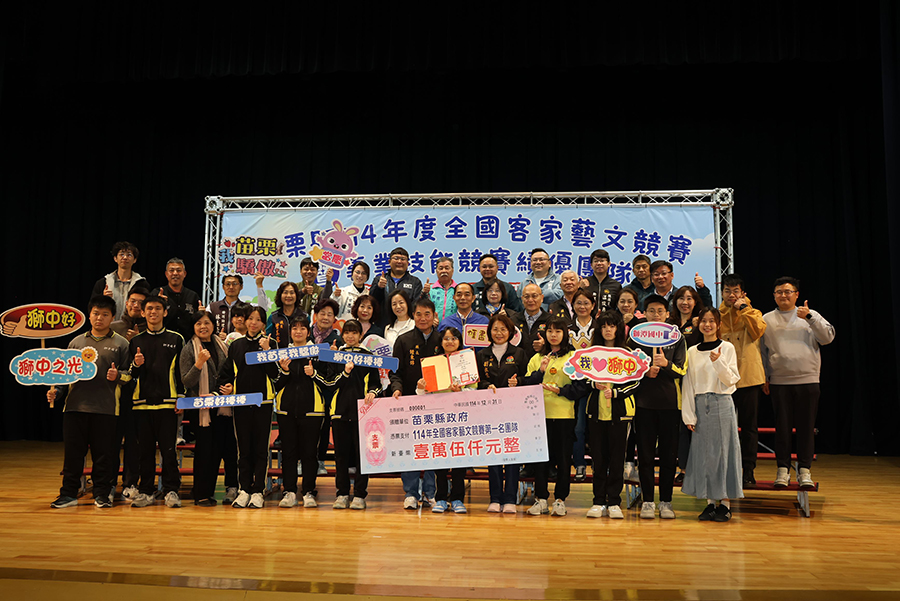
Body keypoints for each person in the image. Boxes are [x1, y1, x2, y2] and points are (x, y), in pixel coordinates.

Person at [49, 295, 131, 508]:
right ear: (89, 314)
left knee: (104, 455)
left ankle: (102, 494)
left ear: (112, 317)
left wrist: (118, 376)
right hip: (75, 407)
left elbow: (129, 376)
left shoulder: (121, 344)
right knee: (73, 455)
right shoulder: (76, 342)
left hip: (106, 409)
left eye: (105, 314)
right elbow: (63, 376)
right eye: (96, 313)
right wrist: (56, 392)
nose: (99, 318)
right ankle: (68, 494)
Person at [761, 277, 834, 489]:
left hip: (808, 379)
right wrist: (764, 376)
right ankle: (782, 470)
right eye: (779, 292)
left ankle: (804, 470)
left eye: (788, 291)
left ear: (797, 295)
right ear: (774, 295)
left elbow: (828, 338)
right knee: (782, 428)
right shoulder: (766, 319)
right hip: (779, 381)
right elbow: (762, 351)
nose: (783, 295)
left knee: (806, 428)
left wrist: (810, 317)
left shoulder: (809, 315)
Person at [522, 317, 588, 517]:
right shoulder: (537, 358)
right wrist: (540, 371)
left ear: (565, 334)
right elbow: (526, 385)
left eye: (558, 331)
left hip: (564, 415)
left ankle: (560, 500)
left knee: (563, 459)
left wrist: (561, 391)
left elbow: (581, 387)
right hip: (538, 415)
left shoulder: (573, 357)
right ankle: (541, 499)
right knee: (540, 459)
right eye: (550, 331)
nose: (553, 335)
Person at [681, 308, 743, 522]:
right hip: (700, 404)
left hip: (721, 402)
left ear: (718, 325)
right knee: (703, 454)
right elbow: (688, 384)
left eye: (712, 321)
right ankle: (709, 502)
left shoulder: (727, 348)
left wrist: (718, 361)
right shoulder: (692, 351)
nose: (707, 325)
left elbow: (731, 380)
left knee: (723, 453)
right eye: (704, 321)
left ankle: (725, 504)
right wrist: (689, 415)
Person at [217, 305, 280, 508]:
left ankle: (258, 491)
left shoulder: (271, 343)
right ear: (245, 321)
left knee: (261, 449)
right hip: (241, 403)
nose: (253, 323)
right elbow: (227, 373)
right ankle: (244, 489)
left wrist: (267, 351)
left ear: (263, 324)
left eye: (258, 319)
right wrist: (227, 387)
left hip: (264, 402)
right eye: (250, 318)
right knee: (243, 449)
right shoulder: (236, 345)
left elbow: (275, 374)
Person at [632, 294, 687, 520]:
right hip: (643, 404)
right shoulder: (635, 337)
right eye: (651, 311)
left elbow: (683, 369)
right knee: (645, 456)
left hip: (670, 404)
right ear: (644, 314)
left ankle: (666, 501)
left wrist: (666, 364)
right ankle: (647, 501)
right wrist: (645, 371)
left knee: (668, 456)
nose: (656, 315)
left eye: (660, 311)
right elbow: (627, 368)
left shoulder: (676, 338)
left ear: (667, 314)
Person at [128, 294, 185, 508]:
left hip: (168, 404)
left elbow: (181, 372)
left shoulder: (176, 339)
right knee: (145, 452)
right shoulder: (135, 341)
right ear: (143, 313)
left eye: (158, 308)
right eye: (149, 309)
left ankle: (171, 490)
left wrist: (181, 398)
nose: (153, 312)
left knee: (169, 451)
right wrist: (136, 364)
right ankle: (146, 491)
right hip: (141, 404)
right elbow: (130, 375)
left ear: (165, 312)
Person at [317, 320, 381, 510]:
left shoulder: (369, 356)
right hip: (339, 412)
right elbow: (329, 383)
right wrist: (345, 372)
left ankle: (360, 495)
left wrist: (373, 392)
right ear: (342, 335)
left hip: (363, 413)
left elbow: (376, 384)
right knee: (341, 456)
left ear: (361, 335)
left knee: (362, 457)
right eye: (347, 332)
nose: (350, 336)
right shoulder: (336, 356)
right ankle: (342, 494)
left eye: (354, 332)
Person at [415, 326, 476, 514]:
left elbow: (474, 391)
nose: (450, 342)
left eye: (454, 338)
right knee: (440, 460)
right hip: (439, 419)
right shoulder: (432, 363)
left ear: (460, 341)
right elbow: (424, 395)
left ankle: (457, 499)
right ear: (441, 342)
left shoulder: (467, 361)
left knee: (459, 461)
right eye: (446, 339)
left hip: (461, 419)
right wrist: (420, 388)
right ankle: (441, 498)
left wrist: (461, 392)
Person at [585, 310, 639, 519]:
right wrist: (594, 384)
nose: (608, 330)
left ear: (619, 329)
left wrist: (617, 393)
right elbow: (582, 377)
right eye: (604, 326)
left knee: (617, 458)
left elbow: (636, 381)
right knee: (598, 459)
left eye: (612, 326)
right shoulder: (591, 352)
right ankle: (598, 501)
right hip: (596, 412)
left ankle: (614, 501)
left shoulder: (627, 353)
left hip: (620, 413)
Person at [390, 298, 442, 509]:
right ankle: (411, 493)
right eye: (418, 314)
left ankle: (431, 492)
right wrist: (397, 388)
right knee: (410, 448)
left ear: (434, 316)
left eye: (427, 314)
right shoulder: (403, 340)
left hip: (438, 404)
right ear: (413, 315)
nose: (422, 318)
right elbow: (395, 372)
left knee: (434, 447)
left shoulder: (442, 340)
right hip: (410, 403)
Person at [718, 273, 767, 486]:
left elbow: (757, 332)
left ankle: (748, 470)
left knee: (749, 427)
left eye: (735, 291)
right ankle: (725, 470)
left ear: (742, 293)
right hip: (724, 378)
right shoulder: (717, 315)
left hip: (748, 378)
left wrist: (743, 308)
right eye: (727, 291)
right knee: (723, 428)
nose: (731, 295)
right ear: (722, 293)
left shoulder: (753, 312)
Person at [274, 316, 327, 508]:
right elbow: (275, 385)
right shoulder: (282, 354)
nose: (298, 331)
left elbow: (327, 382)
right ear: (290, 332)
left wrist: (314, 374)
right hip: (286, 410)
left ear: (308, 332)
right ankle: (289, 491)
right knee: (288, 453)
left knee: (309, 454)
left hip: (313, 411)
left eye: (302, 328)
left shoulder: (318, 353)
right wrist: (284, 371)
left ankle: (308, 492)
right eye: (294, 328)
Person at [179, 311, 231, 506]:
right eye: (199, 323)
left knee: (216, 451)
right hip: (200, 409)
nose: (203, 327)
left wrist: (228, 388)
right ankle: (200, 493)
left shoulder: (222, 346)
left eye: (207, 323)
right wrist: (199, 363)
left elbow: (228, 373)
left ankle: (208, 492)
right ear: (193, 327)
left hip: (221, 406)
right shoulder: (188, 349)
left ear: (213, 325)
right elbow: (187, 381)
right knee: (204, 451)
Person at [477, 313, 527, 514]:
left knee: (512, 454)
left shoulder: (520, 353)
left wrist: (519, 382)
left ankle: (510, 499)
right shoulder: (481, 354)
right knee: (494, 453)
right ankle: (495, 498)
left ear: (510, 332)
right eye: (495, 329)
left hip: (514, 411)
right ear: (489, 332)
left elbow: (527, 378)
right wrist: (486, 385)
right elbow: (476, 380)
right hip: (489, 411)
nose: (499, 333)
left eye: (503, 329)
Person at [668, 285, 705, 483]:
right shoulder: (669, 324)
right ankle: (682, 468)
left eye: (689, 298)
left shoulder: (700, 323)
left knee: (693, 425)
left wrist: (700, 325)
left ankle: (699, 468)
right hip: (672, 379)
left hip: (694, 379)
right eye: (681, 298)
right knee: (678, 426)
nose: (685, 302)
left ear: (695, 302)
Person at [567, 289, 598, 480]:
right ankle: (579, 464)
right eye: (578, 303)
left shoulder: (600, 327)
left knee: (596, 427)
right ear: (573, 305)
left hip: (597, 386)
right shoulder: (566, 327)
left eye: (586, 303)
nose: (582, 307)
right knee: (577, 428)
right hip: (574, 385)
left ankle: (598, 464)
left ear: (593, 306)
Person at [311, 297, 343, 475]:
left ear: (334, 319)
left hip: (326, 388)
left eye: (329, 314)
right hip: (306, 388)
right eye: (322, 313)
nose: (325, 317)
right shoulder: (305, 334)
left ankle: (321, 461)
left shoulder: (337, 340)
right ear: (315, 315)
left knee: (323, 425)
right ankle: (303, 460)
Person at [90, 241, 150, 320]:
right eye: (121, 254)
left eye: (129, 255)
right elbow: (92, 307)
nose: (125, 257)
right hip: (108, 325)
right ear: (115, 258)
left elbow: (146, 307)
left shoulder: (142, 283)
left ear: (135, 260)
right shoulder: (103, 282)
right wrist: (103, 299)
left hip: (132, 325)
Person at [370, 247, 424, 326]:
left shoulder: (415, 282)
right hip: (382, 325)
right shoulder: (379, 280)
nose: (399, 261)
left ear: (408, 263)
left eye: (403, 259)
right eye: (396, 258)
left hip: (407, 326)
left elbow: (416, 305)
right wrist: (379, 288)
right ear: (389, 262)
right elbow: (372, 302)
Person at [151, 257, 201, 341]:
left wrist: (201, 314)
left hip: (187, 341)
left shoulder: (193, 296)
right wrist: (158, 304)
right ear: (166, 274)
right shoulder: (157, 293)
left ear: (184, 274)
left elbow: (197, 321)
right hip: (161, 341)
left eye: (178, 270)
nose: (175, 273)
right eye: (171, 270)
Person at [511, 283, 550, 363]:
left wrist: (545, 346)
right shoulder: (513, 320)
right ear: (522, 299)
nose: (530, 300)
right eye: (526, 297)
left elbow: (560, 346)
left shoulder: (551, 320)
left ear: (542, 298)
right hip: (517, 364)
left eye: (534, 296)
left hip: (542, 364)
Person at [266, 281, 307, 349]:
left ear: (296, 295)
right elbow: (268, 338)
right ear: (280, 295)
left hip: (300, 353)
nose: (288, 296)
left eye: (292, 293)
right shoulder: (273, 317)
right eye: (285, 292)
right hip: (279, 354)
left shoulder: (305, 316)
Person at [581, 249, 622, 314]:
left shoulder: (616, 285)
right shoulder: (584, 283)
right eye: (596, 261)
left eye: (602, 261)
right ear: (591, 265)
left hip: (609, 320)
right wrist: (580, 288)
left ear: (609, 264)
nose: (599, 263)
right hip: (587, 319)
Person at [427, 256, 458, 323]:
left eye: (447, 268)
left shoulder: (458, 290)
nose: (444, 271)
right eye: (441, 268)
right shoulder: (430, 290)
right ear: (436, 271)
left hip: (453, 328)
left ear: (452, 271)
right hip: (434, 327)